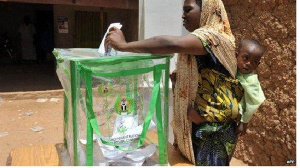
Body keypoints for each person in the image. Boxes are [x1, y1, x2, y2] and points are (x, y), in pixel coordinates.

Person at [105, 0, 243, 166]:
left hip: (214, 133)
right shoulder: (202, 42)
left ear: (208, 10)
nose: (183, 15)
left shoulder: (216, 39)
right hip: (199, 126)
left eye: (188, 10)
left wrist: (124, 46)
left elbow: (170, 44)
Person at [235, 38, 266, 136]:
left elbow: (252, 103)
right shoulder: (232, 69)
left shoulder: (251, 80)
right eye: (245, 58)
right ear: (236, 54)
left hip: (234, 120)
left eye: (254, 62)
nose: (248, 63)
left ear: (258, 65)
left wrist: (244, 122)